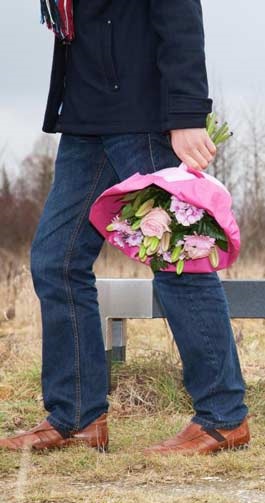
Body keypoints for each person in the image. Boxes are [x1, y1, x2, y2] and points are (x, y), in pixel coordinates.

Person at [0, 0, 250, 455]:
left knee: (179, 261)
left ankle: (222, 417)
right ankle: (77, 416)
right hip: (85, 120)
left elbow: (180, 17)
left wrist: (188, 114)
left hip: (145, 118)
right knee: (55, 262)